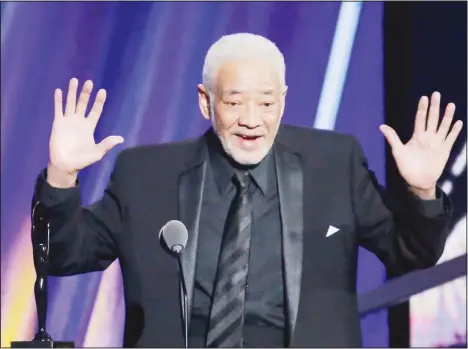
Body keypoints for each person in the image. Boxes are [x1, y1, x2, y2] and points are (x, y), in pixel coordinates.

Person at [33, 33, 462, 347]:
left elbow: (412, 252)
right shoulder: (146, 174)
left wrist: (422, 191)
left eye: (267, 102)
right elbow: (65, 253)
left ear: (284, 99)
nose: (252, 120)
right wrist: (61, 176)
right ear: (206, 101)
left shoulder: (335, 163)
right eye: (235, 102)